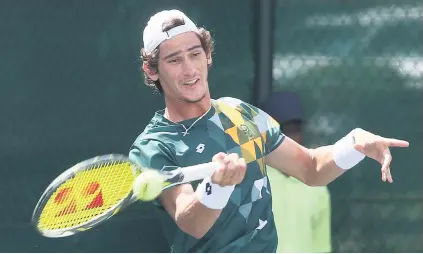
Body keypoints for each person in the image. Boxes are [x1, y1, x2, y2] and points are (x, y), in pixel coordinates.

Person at [128, 9, 409, 253]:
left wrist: (355, 143)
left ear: (208, 55)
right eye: (175, 60)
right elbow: (191, 221)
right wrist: (217, 187)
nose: (189, 69)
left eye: (195, 54)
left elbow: (311, 168)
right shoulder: (154, 145)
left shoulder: (239, 114)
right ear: (151, 70)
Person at [262, 91, 332, 253]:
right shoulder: (251, 180)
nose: (291, 137)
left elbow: (321, 248)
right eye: (283, 131)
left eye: (296, 129)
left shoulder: (317, 184)